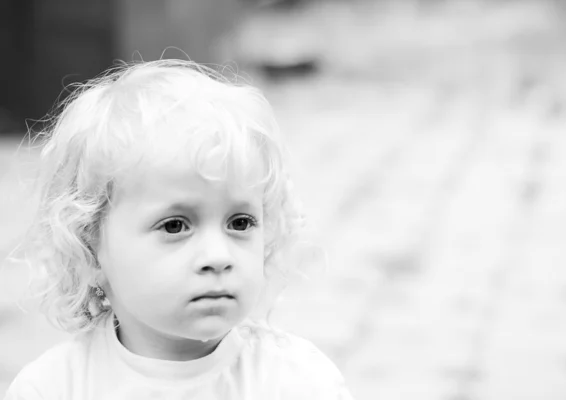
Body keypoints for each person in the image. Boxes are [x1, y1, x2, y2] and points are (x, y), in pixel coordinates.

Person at [4, 60, 353, 399]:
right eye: (175, 226)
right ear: (90, 248)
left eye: (240, 222)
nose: (218, 257)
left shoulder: (299, 383)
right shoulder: (54, 388)